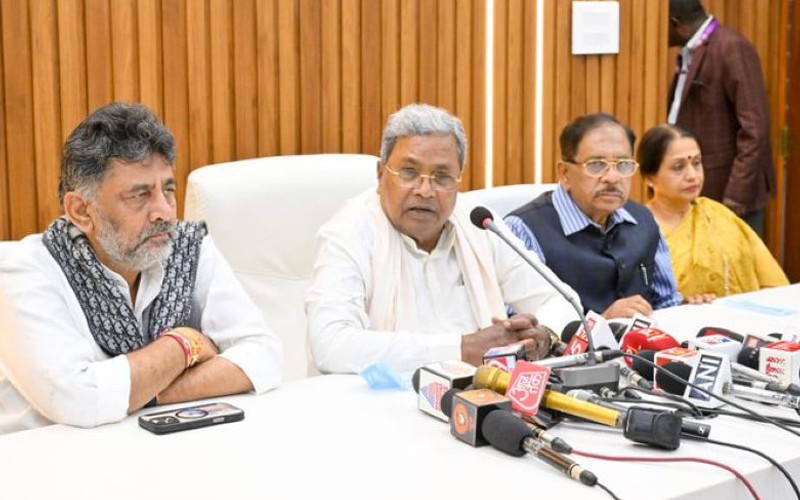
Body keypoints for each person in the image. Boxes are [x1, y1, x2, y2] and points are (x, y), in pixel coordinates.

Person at [0, 102, 283, 434]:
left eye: (168, 190)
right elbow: (81, 400)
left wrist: (143, 392)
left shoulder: (187, 246)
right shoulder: (23, 271)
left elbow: (265, 357)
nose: (164, 211)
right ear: (81, 211)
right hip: (48, 458)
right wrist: (184, 344)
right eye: (139, 195)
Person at [306, 103, 580, 375]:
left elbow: (563, 302)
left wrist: (544, 337)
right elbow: (331, 345)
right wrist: (462, 348)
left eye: (442, 176)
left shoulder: (479, 224)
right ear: (380, 174)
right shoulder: (348, 233)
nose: (425, 190)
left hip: (478, 395)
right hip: (377, 398)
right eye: (409, 172)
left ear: (458, 180)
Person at [505, 113, 682, 319]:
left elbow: (667, 305)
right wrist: (601, 324)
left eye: (623, 164)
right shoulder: (524, 229)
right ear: (564, 173)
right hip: (565, 342)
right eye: (596, 165)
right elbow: (517, 326)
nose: (612, 177)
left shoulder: (644, 220)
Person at [638, 124, 788, 300]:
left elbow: (771, 282)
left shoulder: (718, 215)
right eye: (678, 167)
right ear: (649, 177)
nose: (692, 176)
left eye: (696, 163)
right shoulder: (637, 229)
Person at [667, 0, 774, 236]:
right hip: (700, 191)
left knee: (736, 260)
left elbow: (754, 130)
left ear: (676, 23)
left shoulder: (731, 48)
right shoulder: (690, 52)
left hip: (729, 195)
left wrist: (735, 197)